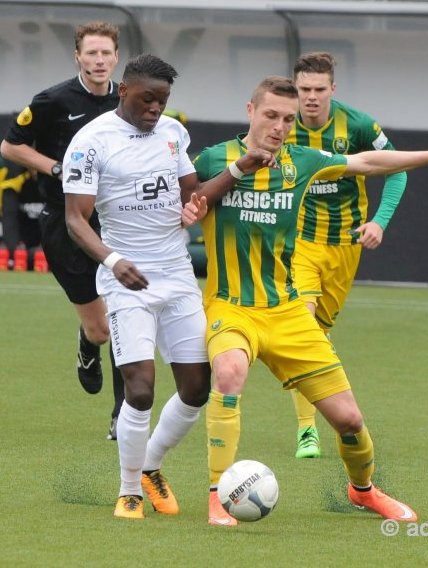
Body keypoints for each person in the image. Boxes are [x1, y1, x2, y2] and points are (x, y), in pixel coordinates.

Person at [180, 76, 428, 526]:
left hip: (286, 312)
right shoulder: (212, 159)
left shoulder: (303, 161)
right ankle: (216, 496)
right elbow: (180, 200)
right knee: (229, 372)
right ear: (250, 110)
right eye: (271, 115)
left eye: (288, 118)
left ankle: (363, 491)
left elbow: (366, 161)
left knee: (350, 421)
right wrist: (188, 209)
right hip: (231, 305)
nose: (280, 126)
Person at [62, 54, 277, 519]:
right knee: (139, 390)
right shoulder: (90, 142)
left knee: (197, 389)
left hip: (177, 276)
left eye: (163, 101)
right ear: (123, 90)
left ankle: (150, 467)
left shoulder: (173, 134)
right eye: (147, 98)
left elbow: (191, 196)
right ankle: (129, 492)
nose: (155, 108)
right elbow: (75, 219)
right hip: (125, 281)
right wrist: (114, 261)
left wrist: (239, 169)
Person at [0, 21, 125, 439]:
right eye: (91, 53)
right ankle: (88, 343)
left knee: (126, 319)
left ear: (116, 57)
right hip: (65, 222)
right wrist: (55, 168)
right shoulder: (53, 100)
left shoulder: (129, 100)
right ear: (78, 57)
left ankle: (123, 415)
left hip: (115, 221)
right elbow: (11, 146)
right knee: (102, 329)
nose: (99, 60)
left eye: (106, 53)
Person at [286, 52, 408, 459]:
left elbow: (397, 168)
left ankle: (323, 417)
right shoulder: (281, 123)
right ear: (296, 88)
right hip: (298, 242)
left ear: (332, 90)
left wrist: (380, 221)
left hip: (344, 245)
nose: (311, 97)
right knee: (302, 325)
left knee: (318, 333)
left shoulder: (357, 125)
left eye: (320, 90)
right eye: (304, 89)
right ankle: (307, 429)